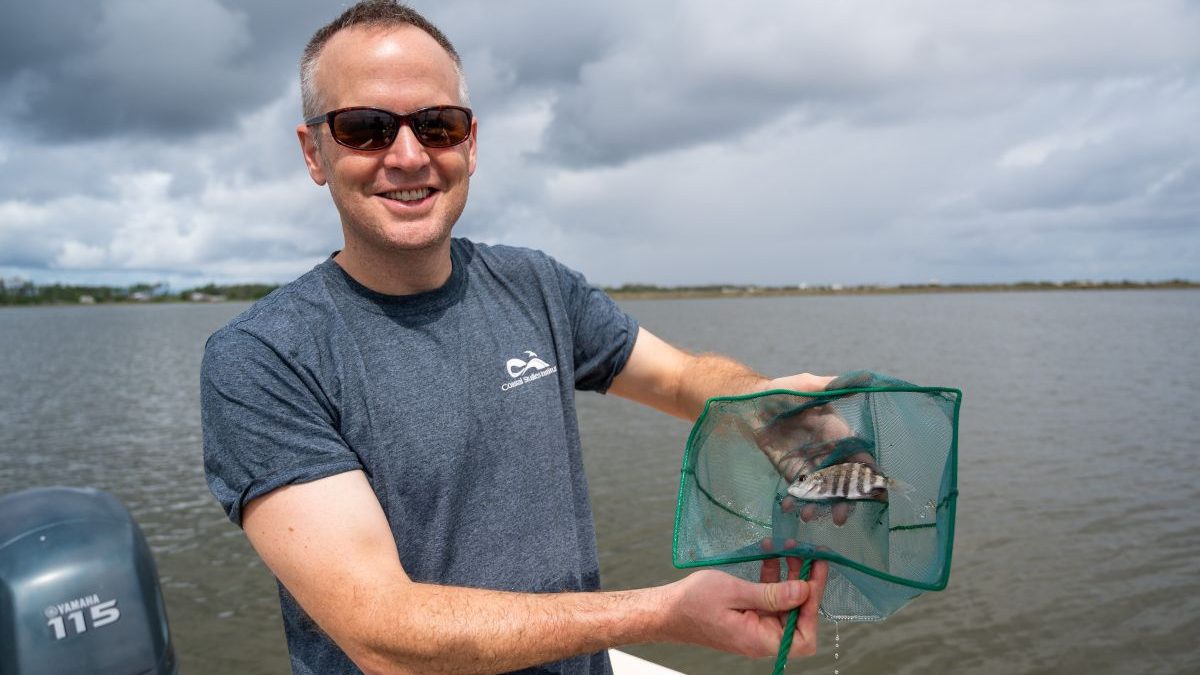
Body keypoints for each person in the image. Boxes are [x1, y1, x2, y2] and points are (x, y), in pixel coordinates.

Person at [201, 2, 834, 673]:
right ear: (314, 151)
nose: (409, 155)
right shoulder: (262, 358)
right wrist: (663, 613)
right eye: (366, 129)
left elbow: (679, 380)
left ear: (471, 143)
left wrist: (765, 401)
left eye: (437, 125)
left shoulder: (534, 285)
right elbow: (382, 631)